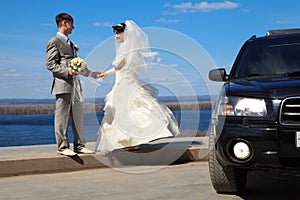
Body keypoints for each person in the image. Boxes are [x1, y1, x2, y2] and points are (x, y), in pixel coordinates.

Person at [95, 20, 180, 152]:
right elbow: (120, 68)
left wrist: (111, 69)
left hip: (126, 84)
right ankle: (130, 141)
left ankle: (130, 140)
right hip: (123, 82)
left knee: (127, 112)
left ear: (126, 33)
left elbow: (119, 66)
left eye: (118, 34)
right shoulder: (130, 49)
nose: (116, 37)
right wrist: (107, 73)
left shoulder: (127, 50)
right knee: (124, 113)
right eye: (115, 34)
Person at [46, 13, 101, 156]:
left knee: (78, 116)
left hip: (76, 86)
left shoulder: (71, 43)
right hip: (63, 85)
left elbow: (75, 64)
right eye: (71, 24)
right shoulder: (54, 41)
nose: (73, 27)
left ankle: (79, 145)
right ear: (64, 23)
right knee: (62, 117)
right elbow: (50, 64)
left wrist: (91, 73)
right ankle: (62, 147)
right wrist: (67, 72)